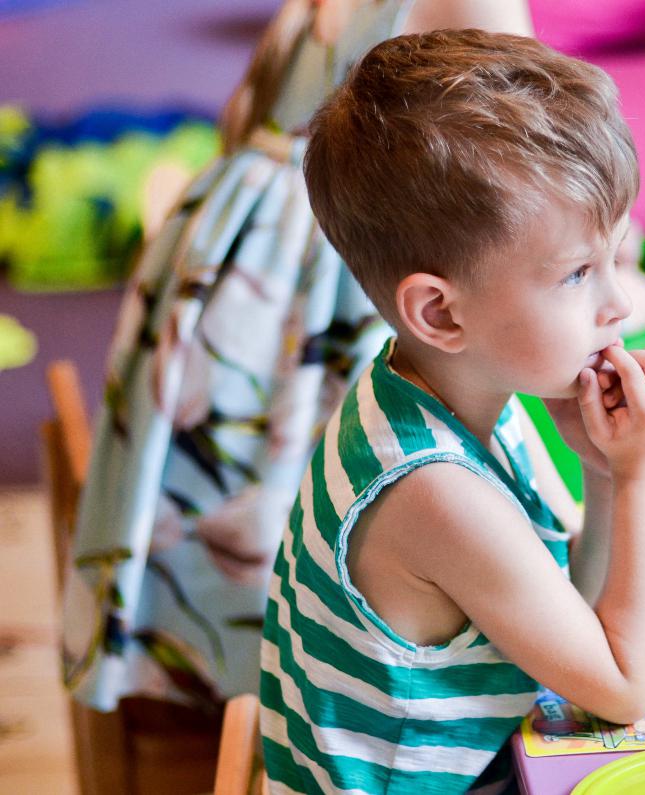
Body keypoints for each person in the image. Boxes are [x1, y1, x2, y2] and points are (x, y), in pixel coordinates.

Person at [61, 0, 535, 714]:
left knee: (259, 489)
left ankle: (232, 680)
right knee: (357, 482)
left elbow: (244, 117)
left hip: (235, 260)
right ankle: (287, 694)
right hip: (334, 271)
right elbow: (527, 184)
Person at [259, 29, 645, 793]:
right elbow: (625, 688)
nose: (619, 304)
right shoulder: (432, 490)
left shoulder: (457, 386)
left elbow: (575, 607)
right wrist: (642, 471)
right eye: (577, 274)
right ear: (440, 313)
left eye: (614, 258)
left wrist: (601, 473)